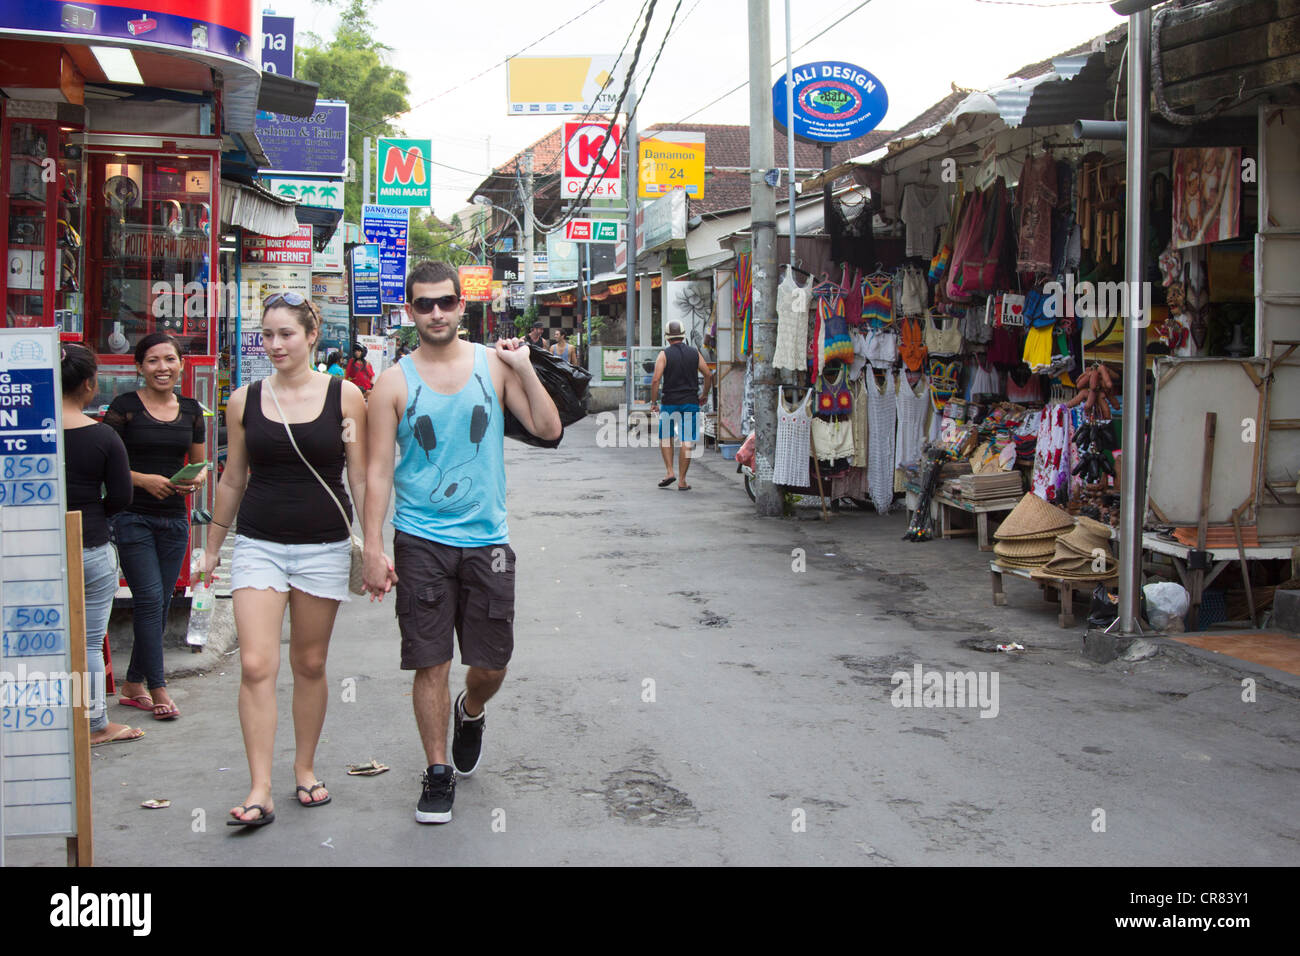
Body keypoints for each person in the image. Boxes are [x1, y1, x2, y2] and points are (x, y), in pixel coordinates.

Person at [363, 260, 561, 825]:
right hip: (420, 538)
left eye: (445, 302)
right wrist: (373, 548)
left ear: (460, 305)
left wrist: (522, 367)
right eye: (423, 304)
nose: (435, 313)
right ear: (410, 311)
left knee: (491, 663)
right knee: (431, 660)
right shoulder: (393, 383)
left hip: (487, 539)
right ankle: (437, 770)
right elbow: (378, 472)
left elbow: (548, 430)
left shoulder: (492, 366)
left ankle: (470, 710)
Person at [200, 292, 369, 828]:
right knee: (255, 665)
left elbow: (361, 477)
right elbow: (233, 477)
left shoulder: (346, 398)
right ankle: (260, 787)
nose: (274, 344)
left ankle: (305, 768)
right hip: (258, 544)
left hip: (324, 546)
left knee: (310, 663)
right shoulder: (243, 400)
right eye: (267, 335)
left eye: (286, 334)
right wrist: (209, 550)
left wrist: (378, 548)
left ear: (311, 336)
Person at [104, 333, 207, 721]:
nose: (162, 367)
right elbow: (107, 464)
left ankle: (132, 684)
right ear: (139, 367)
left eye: (169, 359)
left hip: (173, 520)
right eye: (152, 361)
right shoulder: (123, 407)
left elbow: (199, 463)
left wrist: (193, 481)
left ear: (180, 364)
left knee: (159, 603)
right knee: (148, 599)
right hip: (132, 516)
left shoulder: (191, 410)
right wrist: (144, 479)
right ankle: (158, 687)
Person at [62, 344, 144, 746]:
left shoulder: (23, 433)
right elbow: (122, 497)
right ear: (90, 385)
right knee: (89, 641)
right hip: (91, 545)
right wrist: (94, 509)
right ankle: (94, 723)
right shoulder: (103, 436)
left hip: (31, 551)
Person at [650, 319, 711, 490]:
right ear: (683, 335)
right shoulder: (694, 353)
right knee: (687, 441)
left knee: (666, 437)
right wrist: (704, 394)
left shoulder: (664, 354)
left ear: (667, 337)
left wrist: (654, 402)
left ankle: (670, 472)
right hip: (690, 402)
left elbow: (655, 380)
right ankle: (683, 480)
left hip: (669, 403)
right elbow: (708, 375)